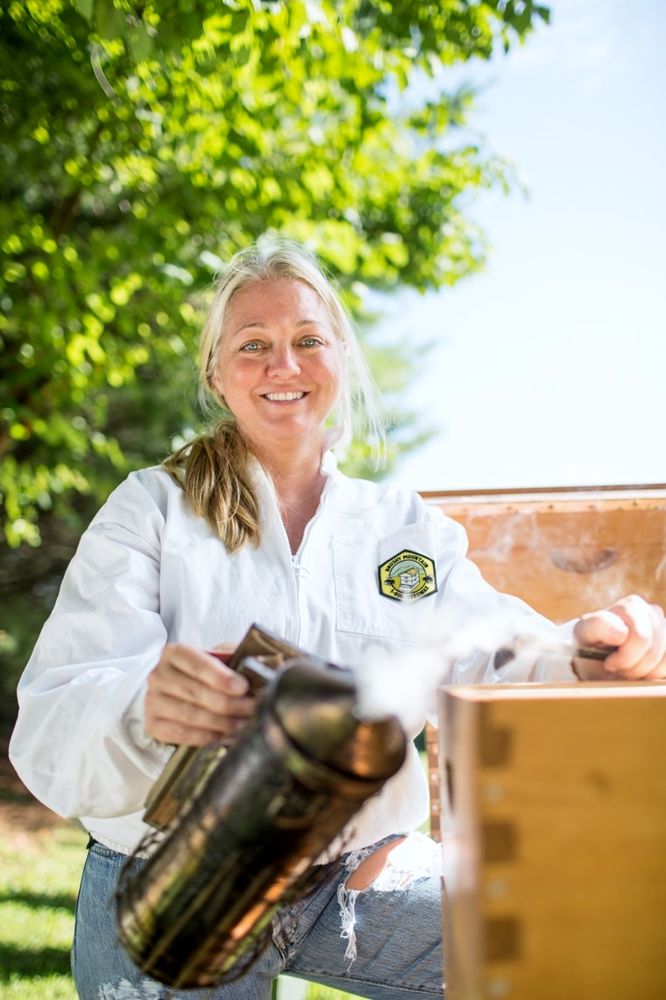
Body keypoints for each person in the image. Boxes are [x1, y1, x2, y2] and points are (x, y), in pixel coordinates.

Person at [9, 238, 666, 1000]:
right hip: (173, 869)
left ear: (340, 360)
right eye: (254, 345)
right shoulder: (153, 508)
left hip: (355, 870)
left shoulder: (399, 527)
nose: (283, 366)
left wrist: (585, 654)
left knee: (556, 942)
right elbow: (55, 710)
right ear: (217, 376)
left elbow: (495, 649)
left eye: (307, 341)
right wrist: (144, 702)